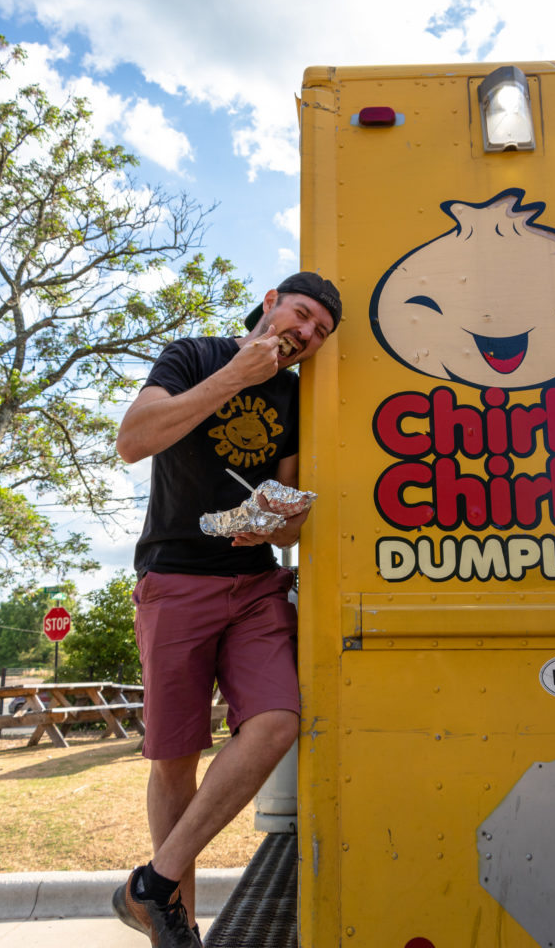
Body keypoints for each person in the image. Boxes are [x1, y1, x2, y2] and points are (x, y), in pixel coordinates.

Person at [112, 272, 342, 948]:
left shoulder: (298, 399)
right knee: (174, 757)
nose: (305, 335)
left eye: (319, 333)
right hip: (174, 576)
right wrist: (234, 378)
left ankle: (150, 884)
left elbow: (291, 508)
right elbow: (132, 440)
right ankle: (173, 923)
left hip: (252, 582)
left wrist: (274, 524)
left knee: (275, 724)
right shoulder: (193, 356)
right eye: (301, 316)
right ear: (270, 303)